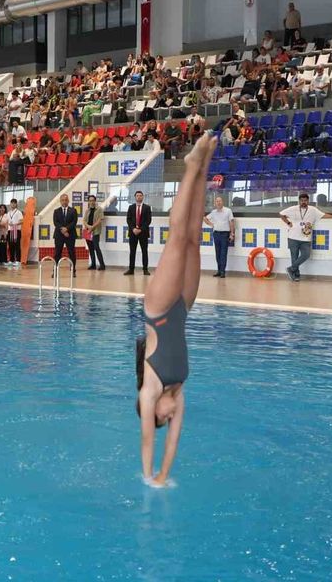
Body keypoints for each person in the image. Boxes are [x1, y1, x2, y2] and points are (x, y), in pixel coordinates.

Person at [136, 131, 217, 488]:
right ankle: (204, 166)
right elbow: (173, 441)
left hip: (160, 308)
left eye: (162, 419)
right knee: (195, 237)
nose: (168, 419)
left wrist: (147, 474)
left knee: (178, 237)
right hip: (183, 308)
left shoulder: (150, 389)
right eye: (168, 419)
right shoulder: (179, 392)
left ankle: (188, 168)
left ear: (151, 412)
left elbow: (149, 441)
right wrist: (164, 477)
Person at [279, 193, 332, 282]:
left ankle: (291, 269)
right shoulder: (293, 209)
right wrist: (288, 223)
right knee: (294, 257)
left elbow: (323, 215)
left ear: (308, 201)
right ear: (299, 201)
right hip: (293, 237)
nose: (303, 202)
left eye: (305, 200)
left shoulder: (313, 210)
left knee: (306, 254)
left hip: (306, 239)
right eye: (301, 200)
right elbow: (281, 214)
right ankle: (296, 275)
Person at [203, 196, 234, 278]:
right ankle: (219, 271)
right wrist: (211, 225)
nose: (218, 202)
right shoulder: (213, 212)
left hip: (225, 234)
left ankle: (223, 272)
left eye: (220, 201)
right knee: (218, 253)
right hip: (216, 234)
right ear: (215, 203)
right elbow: (205, 218)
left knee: (223, 253)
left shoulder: (228, 211)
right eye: (217, 201)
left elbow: (231, 222)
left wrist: (232, 233)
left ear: (222, 202)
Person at [124, 190, 152, 276]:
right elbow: (128, 219)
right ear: (135, 197)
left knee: (144, 251)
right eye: (137, 196)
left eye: (140, 195)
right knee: (132, 251)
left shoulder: (147, 207)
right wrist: (133, 229)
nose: (139, 197)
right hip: (133, 233)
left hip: (143, 233)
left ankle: (145, 269)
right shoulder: (131, 207)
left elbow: (148, 220)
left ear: (143, 197)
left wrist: (140, 229)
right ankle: (131, 269)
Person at [52, 194, 77, 276]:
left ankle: (73, 270)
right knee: (57, 253)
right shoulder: (56, 211)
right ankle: (55, 271)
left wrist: (67, 229)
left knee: (71, 253)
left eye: (66, 200)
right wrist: (63, 230)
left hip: (70, 235)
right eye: (62, 200)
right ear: (60, 201)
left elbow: (74, 222)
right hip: (59, 235)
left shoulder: (73, 210)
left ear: (68, 201)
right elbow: (56, 222)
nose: (64, 202)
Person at [83, 194, 105, 270]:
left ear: (95, 201)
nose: (91, 202)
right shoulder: (87, 210)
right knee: (90, 248)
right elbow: (84, 220)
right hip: (87, 232)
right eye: (90, 201)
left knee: (96, 247)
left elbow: (100, 219)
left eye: (93, 200)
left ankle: (102, 265)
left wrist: (92, 227)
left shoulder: (99, 209)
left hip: (95, 231)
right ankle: (93, 264)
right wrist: (88, 227)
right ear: (88, 202)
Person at [5, 199, 24, 266]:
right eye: (11, 203)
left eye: (14, 203)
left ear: (16, 204)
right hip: (10, 231)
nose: (13, 204)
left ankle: (18, 260)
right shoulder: (8, 213)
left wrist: (15, 223)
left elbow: (22, 221)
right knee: (10, 246)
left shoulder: (18, 212)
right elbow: (7, 222)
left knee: (17, 246)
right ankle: (11, 260)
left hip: (17, 230)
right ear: (10, 204)